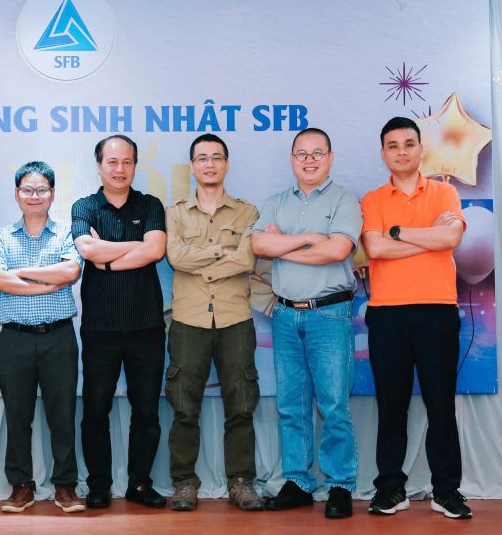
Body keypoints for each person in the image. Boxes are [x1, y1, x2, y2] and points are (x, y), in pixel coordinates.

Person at [360, 116, 471, 520]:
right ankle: (390, 488)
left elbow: (451, 237)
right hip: (387, 313)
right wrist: (426, 237)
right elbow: (375, 249)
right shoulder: (373, 199)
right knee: (392, 406)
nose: (402, 151)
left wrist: (397, 232)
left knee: (440, 404)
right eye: (393, 145)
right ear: (383, 153)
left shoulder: (445, 192)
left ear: (421, 149)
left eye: (409, 144)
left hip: (437, 310)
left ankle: (447, 490)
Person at [251, 127, 360, 519]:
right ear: (292, 158)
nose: (309, 160)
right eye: (302, 153)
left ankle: (340, 484)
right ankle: (297, 481)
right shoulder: (276, 202)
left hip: (329, 314)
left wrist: (286, 244)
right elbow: (259, 245)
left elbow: (338, 251)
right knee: (291, 404)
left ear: (330, 157)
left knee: (334, 405)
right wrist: (312, 238)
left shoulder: (344, 200)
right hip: (284, 314)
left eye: (317, 153)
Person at [165, 133, 265, 512]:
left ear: (226, 164)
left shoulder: (247, 212)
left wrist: (202, 262)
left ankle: (241, 482)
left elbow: (247, 260)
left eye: (216, 157)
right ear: (192, 167)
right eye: (202, 158)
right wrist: (221, 251)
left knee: (241, 405)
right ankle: (184, 483)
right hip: (188, 320)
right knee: (183, 406)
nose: (209, 164)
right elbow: (176, 258)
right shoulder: (175, 213)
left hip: (234, 319)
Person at [71, 134, 167, 510]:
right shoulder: (85, 206)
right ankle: (99, 485)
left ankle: (139, 484)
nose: (119, 169)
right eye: (112, 162)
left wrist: (108, 260)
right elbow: (87, 249)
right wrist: (136, 247)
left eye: (127, 162)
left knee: (147, 411)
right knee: (96, 410)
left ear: (135, 165)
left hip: (146, 326)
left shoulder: (150, 204)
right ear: (99, 166)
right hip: (100, 327)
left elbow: (156, 250)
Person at [0, 161, 85, 514]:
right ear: (17, 194)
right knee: (18, 415)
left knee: (63, 413)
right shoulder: (2, 236)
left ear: (52, 194)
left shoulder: (65, 234)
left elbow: (70, 271)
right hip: (15, 339)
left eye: (41, 189)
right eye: (27, 189)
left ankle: (65, 486)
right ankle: (21, 485)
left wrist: (21, 274)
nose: (34, 195)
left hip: (58, 337)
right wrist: (44, 282)